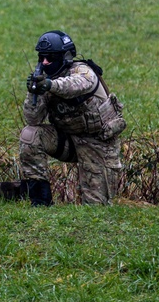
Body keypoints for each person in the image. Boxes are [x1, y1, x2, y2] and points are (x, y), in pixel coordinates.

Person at [20, 31, 127, 206]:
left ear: (65, 56)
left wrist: (49, 85)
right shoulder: (44, 79)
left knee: (96, 208)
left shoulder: (82, 71)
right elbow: (32, 118)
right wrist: (35, 92)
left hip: (98, 143)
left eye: (51, 57)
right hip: (68, 141)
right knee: (30, 135)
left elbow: (75, 85)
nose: (45, 62)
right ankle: (40, 203)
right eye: (42, 57)